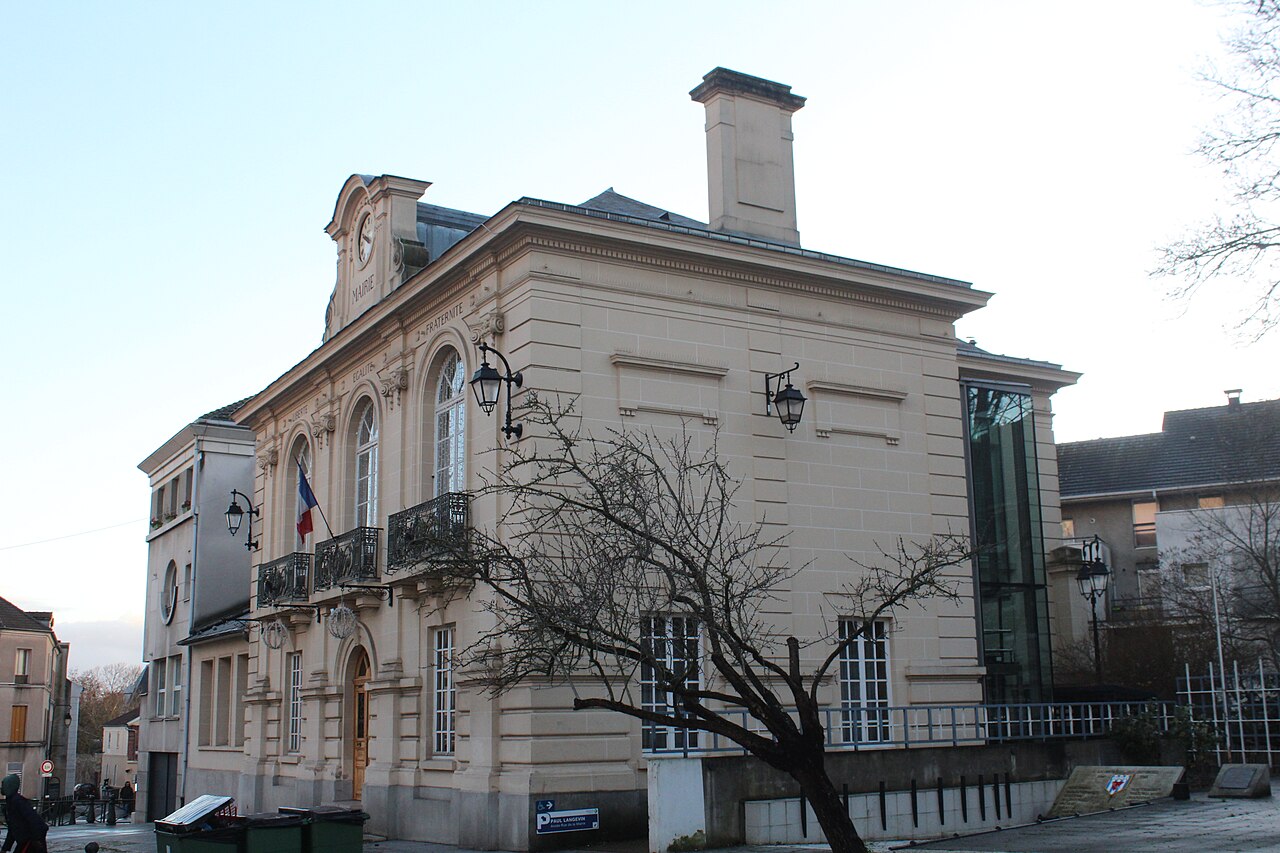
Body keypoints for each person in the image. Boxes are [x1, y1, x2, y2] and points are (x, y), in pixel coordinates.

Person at [1, 773, 48, 853]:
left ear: (9, 786)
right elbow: (13, 829)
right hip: (26, 841)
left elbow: (37, 823)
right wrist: (5, 848)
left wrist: (35, 839)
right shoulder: (11, 802)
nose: (2, 788)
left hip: (30, 842)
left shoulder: (18, 802)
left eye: (3, 785)